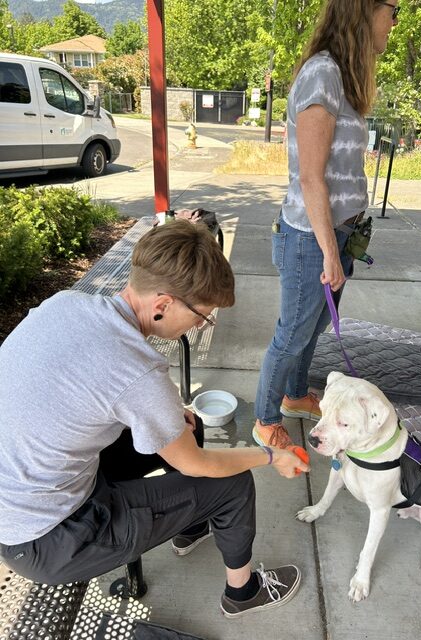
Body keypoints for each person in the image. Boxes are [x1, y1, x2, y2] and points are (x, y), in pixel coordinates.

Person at [0, 220, 308, 619]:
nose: (201, 325)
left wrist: (165, 417)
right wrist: (271, 456)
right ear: (162, 304)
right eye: (202, 316)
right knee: (232, 482)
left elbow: (77, 394)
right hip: (52, 537)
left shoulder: (65, 304)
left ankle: (191, 525)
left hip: (23, 496)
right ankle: (243, 592)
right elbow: (196, 464)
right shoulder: (138, 370)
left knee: (186, 425)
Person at [253, 0, 400, 449]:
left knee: (312, 329)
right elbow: (310, 178)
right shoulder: (322, 74)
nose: (395, 22)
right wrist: (330, 253)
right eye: (393, 10)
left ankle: (296, 396)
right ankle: (264, 420)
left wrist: (340, 242)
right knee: (292, 334)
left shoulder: (340, 77)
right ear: (364, 9)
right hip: (310, 239)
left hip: (336, 234)